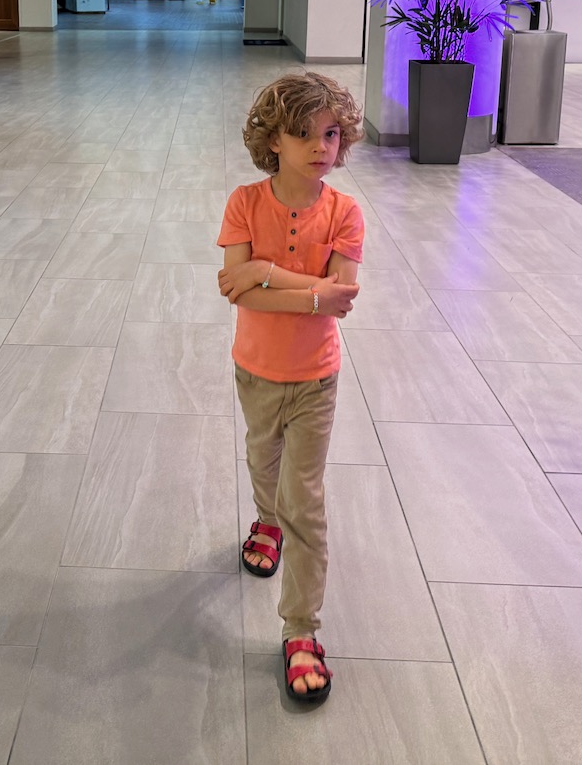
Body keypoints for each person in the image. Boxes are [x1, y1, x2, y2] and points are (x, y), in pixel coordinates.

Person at [216, 71, 365, 705]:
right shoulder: (245, 203)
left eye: (330, 133)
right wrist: (305, 288)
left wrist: (264, 276)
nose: (319, 146)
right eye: (303, 133)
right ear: (272, 139)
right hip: (255, 370)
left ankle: (301, 630)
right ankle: (264, 522)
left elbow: (340, 300)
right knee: (261, 459)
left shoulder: (345, 213)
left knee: (305, 498)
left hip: (315, 380)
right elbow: (233, 287)